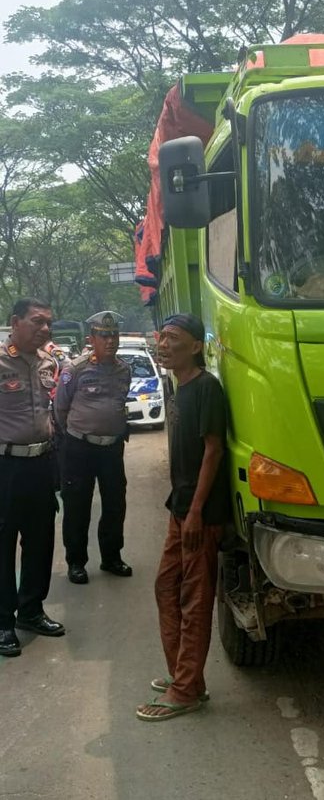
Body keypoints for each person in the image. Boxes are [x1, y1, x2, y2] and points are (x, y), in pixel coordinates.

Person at [136, 313, 230, 722]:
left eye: (172, 337)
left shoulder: (207, 388)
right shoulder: (176, 388)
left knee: (194, 600)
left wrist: (195, 513)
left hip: (200, 514)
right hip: (181, 508)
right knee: (165, 587)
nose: (163, 343)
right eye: (161, 337)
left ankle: (187, 689)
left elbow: (214, 450)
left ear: (195, 346)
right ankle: (184, 675)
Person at [0, 298, 65, 658]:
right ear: (15, 322)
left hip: (41, 462)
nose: (45, 329)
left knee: (40, 539)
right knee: (3, 543)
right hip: (5, 467)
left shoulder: (47, 363)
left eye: (48, 323)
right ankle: (2, 623)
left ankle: (31, 611)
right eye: (37, 322)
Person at [54, 311, 132, 585]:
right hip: (79, 449)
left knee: (115, 504)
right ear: (92, 339)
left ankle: (111, 557)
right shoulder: (75, 369)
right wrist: (75, 437)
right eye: (104, 336)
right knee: (77, 506)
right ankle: (76, 562)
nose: (110, 341)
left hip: (111, 450)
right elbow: (60, 409)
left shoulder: (124, 369)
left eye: (114, 335)